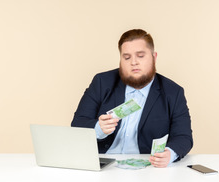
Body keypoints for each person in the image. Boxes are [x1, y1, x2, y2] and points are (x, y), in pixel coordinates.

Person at [71, 29, 193, 168]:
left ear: (154, 57)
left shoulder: (173, 92)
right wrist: (98, 128)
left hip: (147, 168)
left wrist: (170, 154)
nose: (133, 62)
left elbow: (183, 137)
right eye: (127, 57)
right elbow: (77, 124)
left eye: (140, 56)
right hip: (103, 164)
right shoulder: (101, 82)